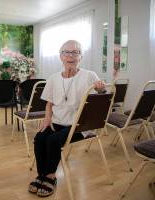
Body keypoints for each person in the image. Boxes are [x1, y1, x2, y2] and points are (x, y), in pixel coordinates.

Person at [28, 40, 105, 197]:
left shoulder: (90, 75)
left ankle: (50, 177)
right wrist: (47, 120)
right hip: (56, 121)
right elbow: (49, 103)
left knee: (53, 141)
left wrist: (101, 89)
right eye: (66, 52)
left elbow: (102, 99)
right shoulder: (53, 78)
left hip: (78, 125)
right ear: (61, 57)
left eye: (75, 52)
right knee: (40, 138)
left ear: (80, 56)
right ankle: (41, 175)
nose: (70, 56)